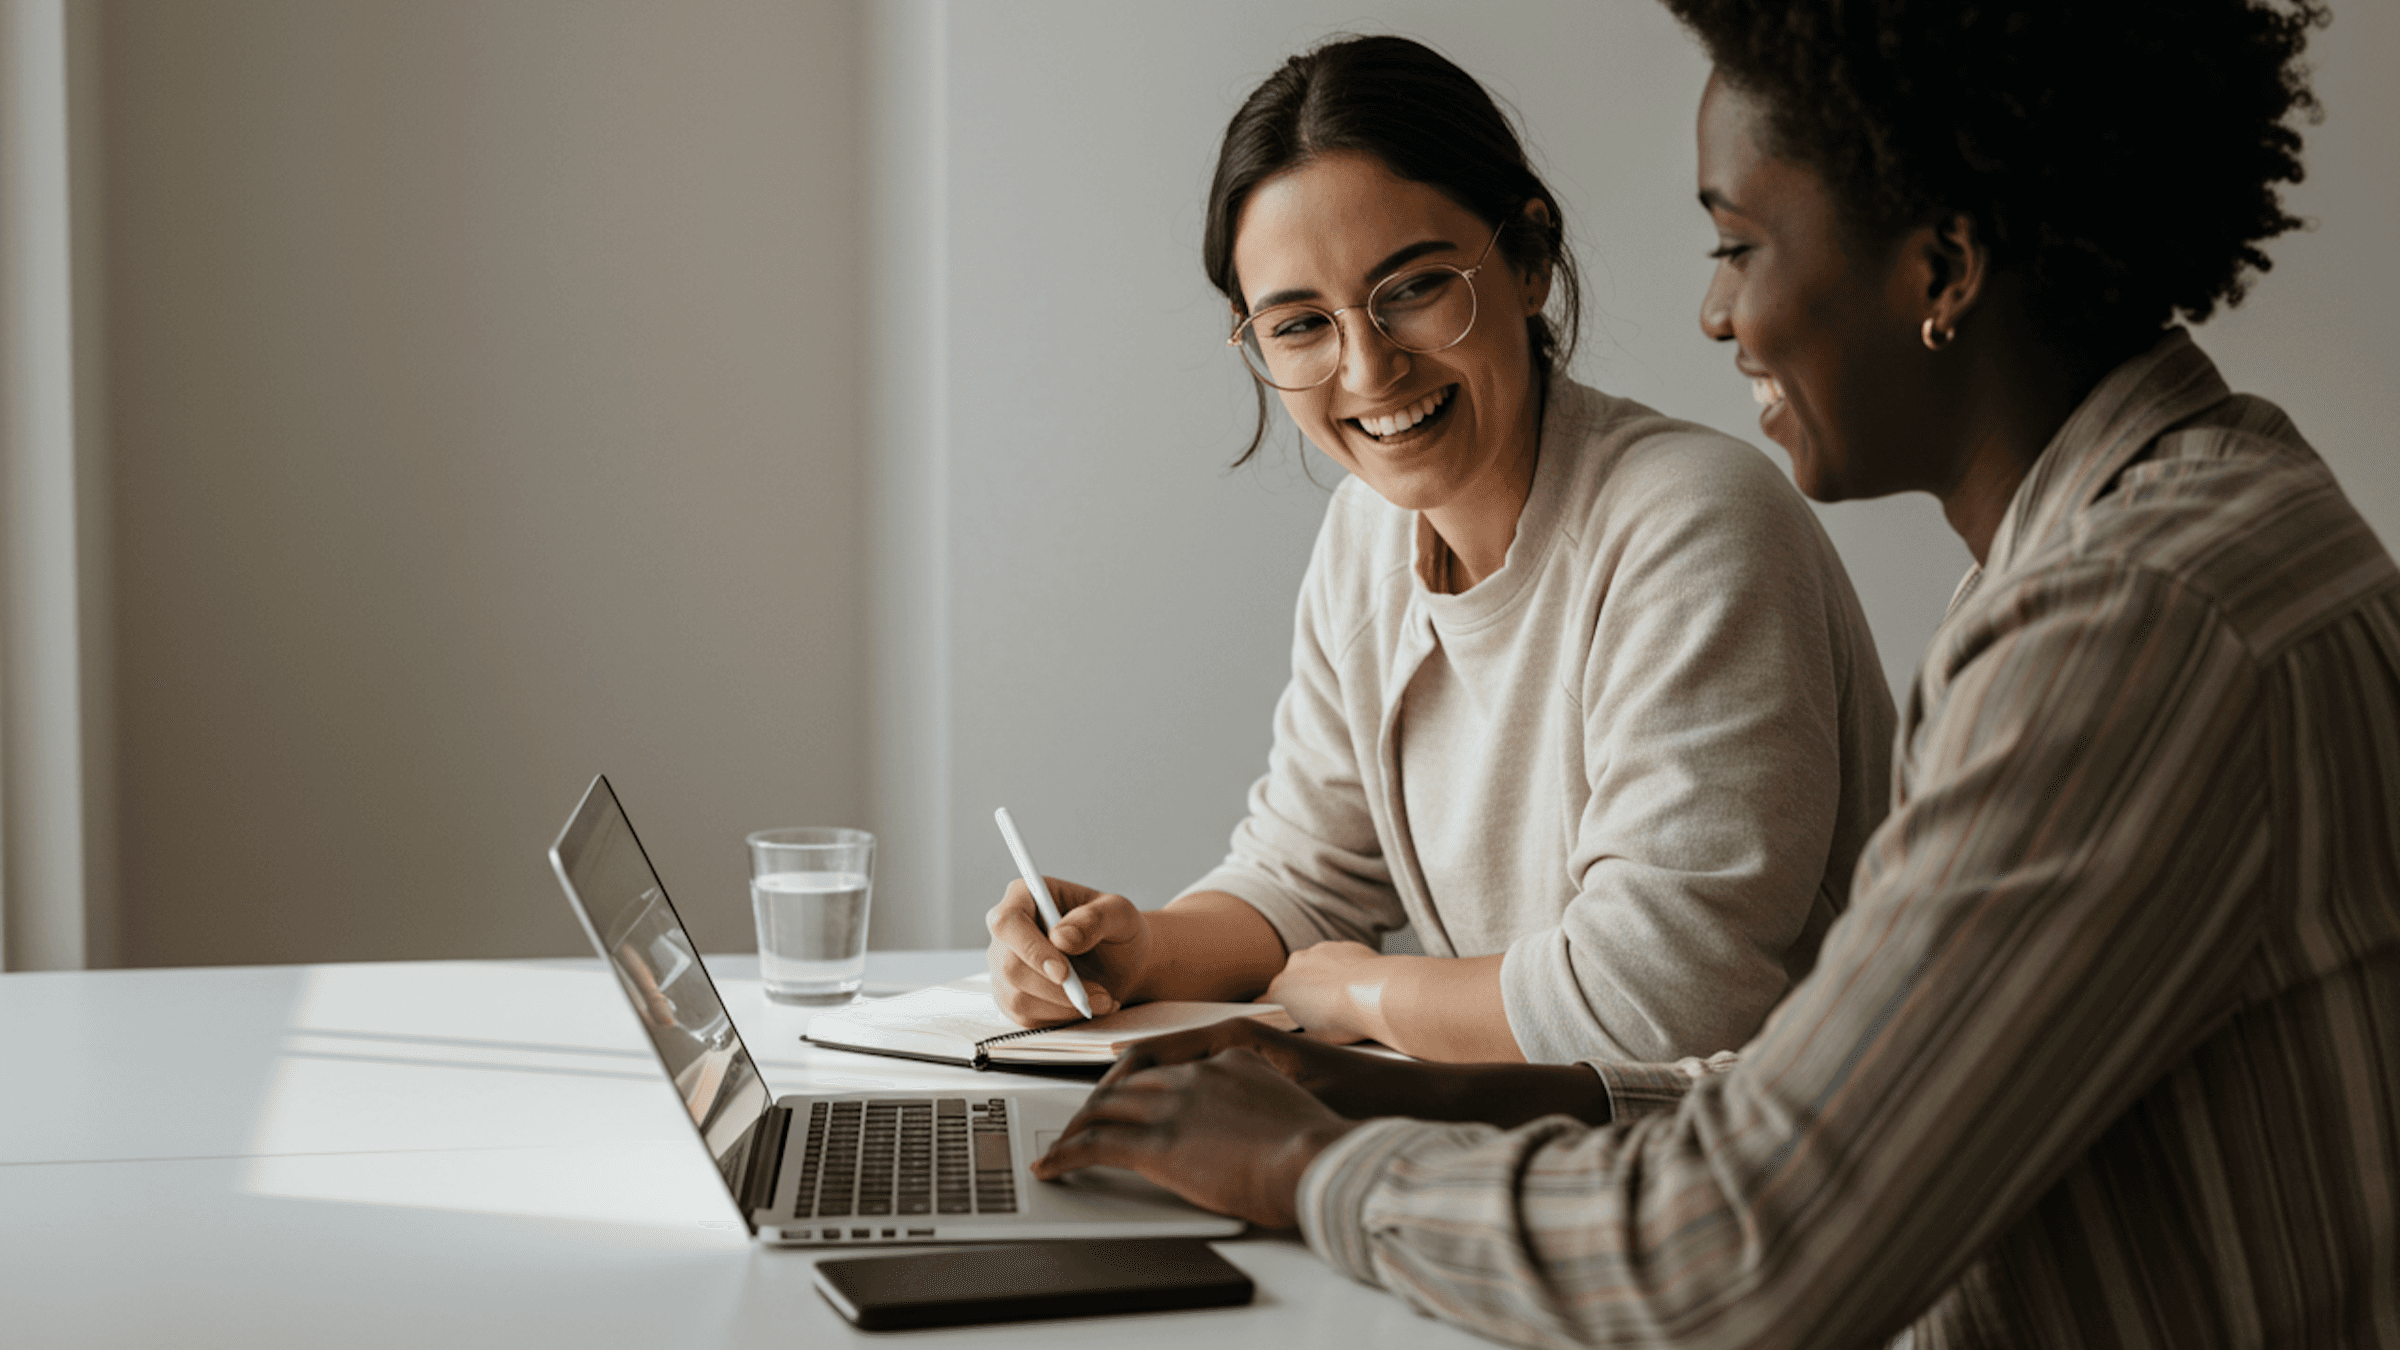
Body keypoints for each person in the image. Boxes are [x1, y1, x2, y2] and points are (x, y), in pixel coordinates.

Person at [1032, 2, 2400, 1346]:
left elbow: (1746, 1251)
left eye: (1738, 244)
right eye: (1298, 323)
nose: (1713, 312)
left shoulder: (2130, 626)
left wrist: (1309, 1166)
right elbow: (1819, 1096)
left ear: (1944, 270)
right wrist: (1416, 1094)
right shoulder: (2155, 538)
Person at [985, 36, 1895, 1066]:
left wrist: (1367, 991)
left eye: (1412, 288)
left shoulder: (1694, 524)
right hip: (1544, 1154)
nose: (1367, 368)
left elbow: (1664, 998)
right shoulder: (1367, 540)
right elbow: (1306, 876)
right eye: (1300, 326)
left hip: (1760, 1184)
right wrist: (1139, 951)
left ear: (1530, 260)